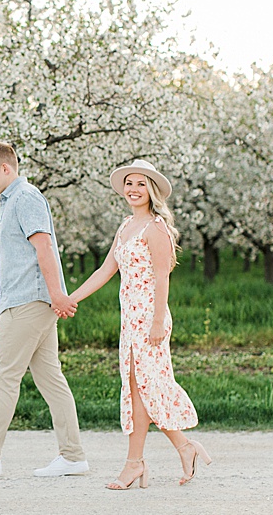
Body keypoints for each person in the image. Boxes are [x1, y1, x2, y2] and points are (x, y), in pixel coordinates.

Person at [0, 142, 88, 478]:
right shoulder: (13, 201)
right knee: (49, 378)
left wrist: (57, 295)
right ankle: (73, 456)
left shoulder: (25, 198)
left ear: (5, 169)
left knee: (3, 375)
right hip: (31, 300)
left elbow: (44, 247)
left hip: (27, 301)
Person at [68, 159, 211, 490]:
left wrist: (158, 321)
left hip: (150, 319)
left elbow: (162, 277)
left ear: (152, 191)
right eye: (129, 183)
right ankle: (168, 453)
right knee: (135, 389)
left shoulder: (156, 228)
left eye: (141, 184)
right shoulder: (125, 226)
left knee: (145, 387)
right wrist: (70, 298)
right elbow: (106, 271)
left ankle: (143, 461)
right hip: (129, 319)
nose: (133, 189)